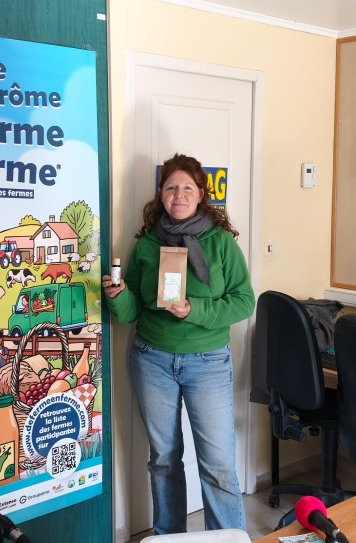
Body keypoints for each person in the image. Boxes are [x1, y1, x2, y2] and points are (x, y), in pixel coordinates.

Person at [102, 153, 255, 534]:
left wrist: (194, 309)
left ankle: (229, 539)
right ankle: (168, 538)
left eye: (188, 187)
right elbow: (130, 311)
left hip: (208, 362)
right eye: (171, 187)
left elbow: (244, 301)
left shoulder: (221, 243)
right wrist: (118, 295)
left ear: (201, 194)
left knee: (218, 465)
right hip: (152, 359)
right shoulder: (147, 244)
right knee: (164, 460)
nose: (179, 194)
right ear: (161, 194)